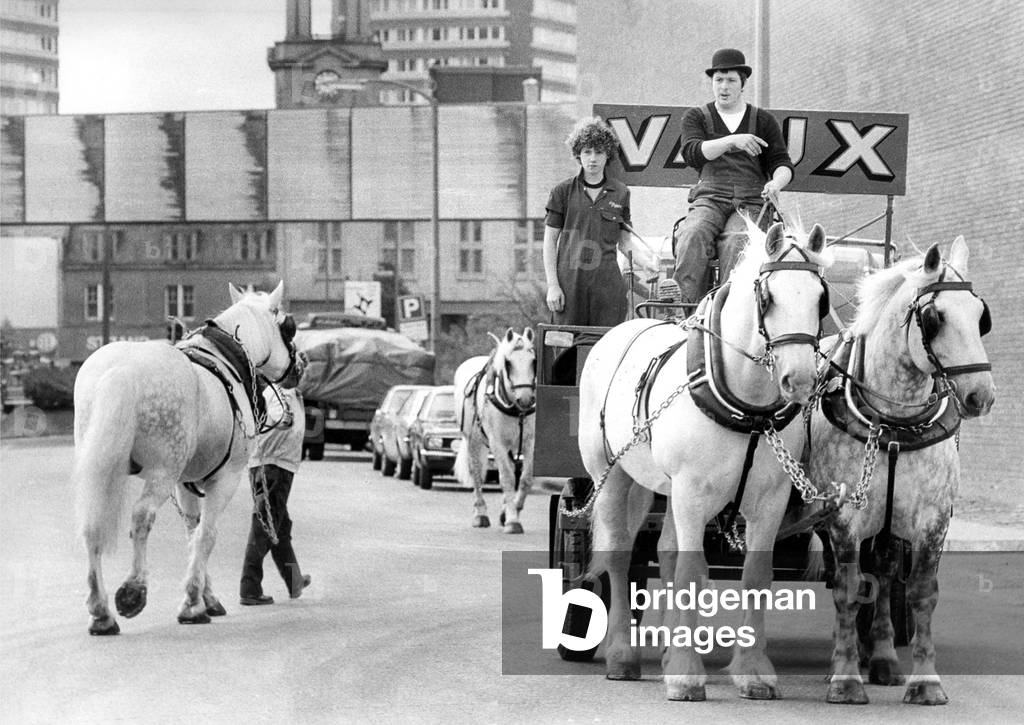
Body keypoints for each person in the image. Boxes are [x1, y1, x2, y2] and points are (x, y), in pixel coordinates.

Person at [672, 48, 795, 304]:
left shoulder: (763, 120)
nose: (724, 87)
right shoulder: (697, 117)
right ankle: (688, 315)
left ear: (743, 84)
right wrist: (732, 141)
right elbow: (693, 152)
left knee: (738, 243)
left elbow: (782, 163)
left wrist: (776, 183)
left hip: (751, 201)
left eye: (731, 80)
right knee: (691, 235)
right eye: (718, 80)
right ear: (712, 82)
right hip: (710, 198)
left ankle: (727, 315)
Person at [542, 116, 655, 327]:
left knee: (607, 350)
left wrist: (645, 263)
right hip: (569, 288)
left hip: (608, 290)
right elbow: (549, 242)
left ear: (608, 155)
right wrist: (552, 285)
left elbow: (625, 242)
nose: (592, 158)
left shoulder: (621, 193)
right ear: (578, 154)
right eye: (587, 151)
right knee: (566, 351)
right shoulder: (562, 192)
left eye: (599, 152)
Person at [239, 378, 311, 605]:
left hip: (273, 464)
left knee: (279, 526)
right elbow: (278, 418)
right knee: (265, 526)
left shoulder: (288, 393)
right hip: (274, 465)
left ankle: (294, 580)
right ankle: (249, 588)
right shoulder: (282, 392)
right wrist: (284, 419)